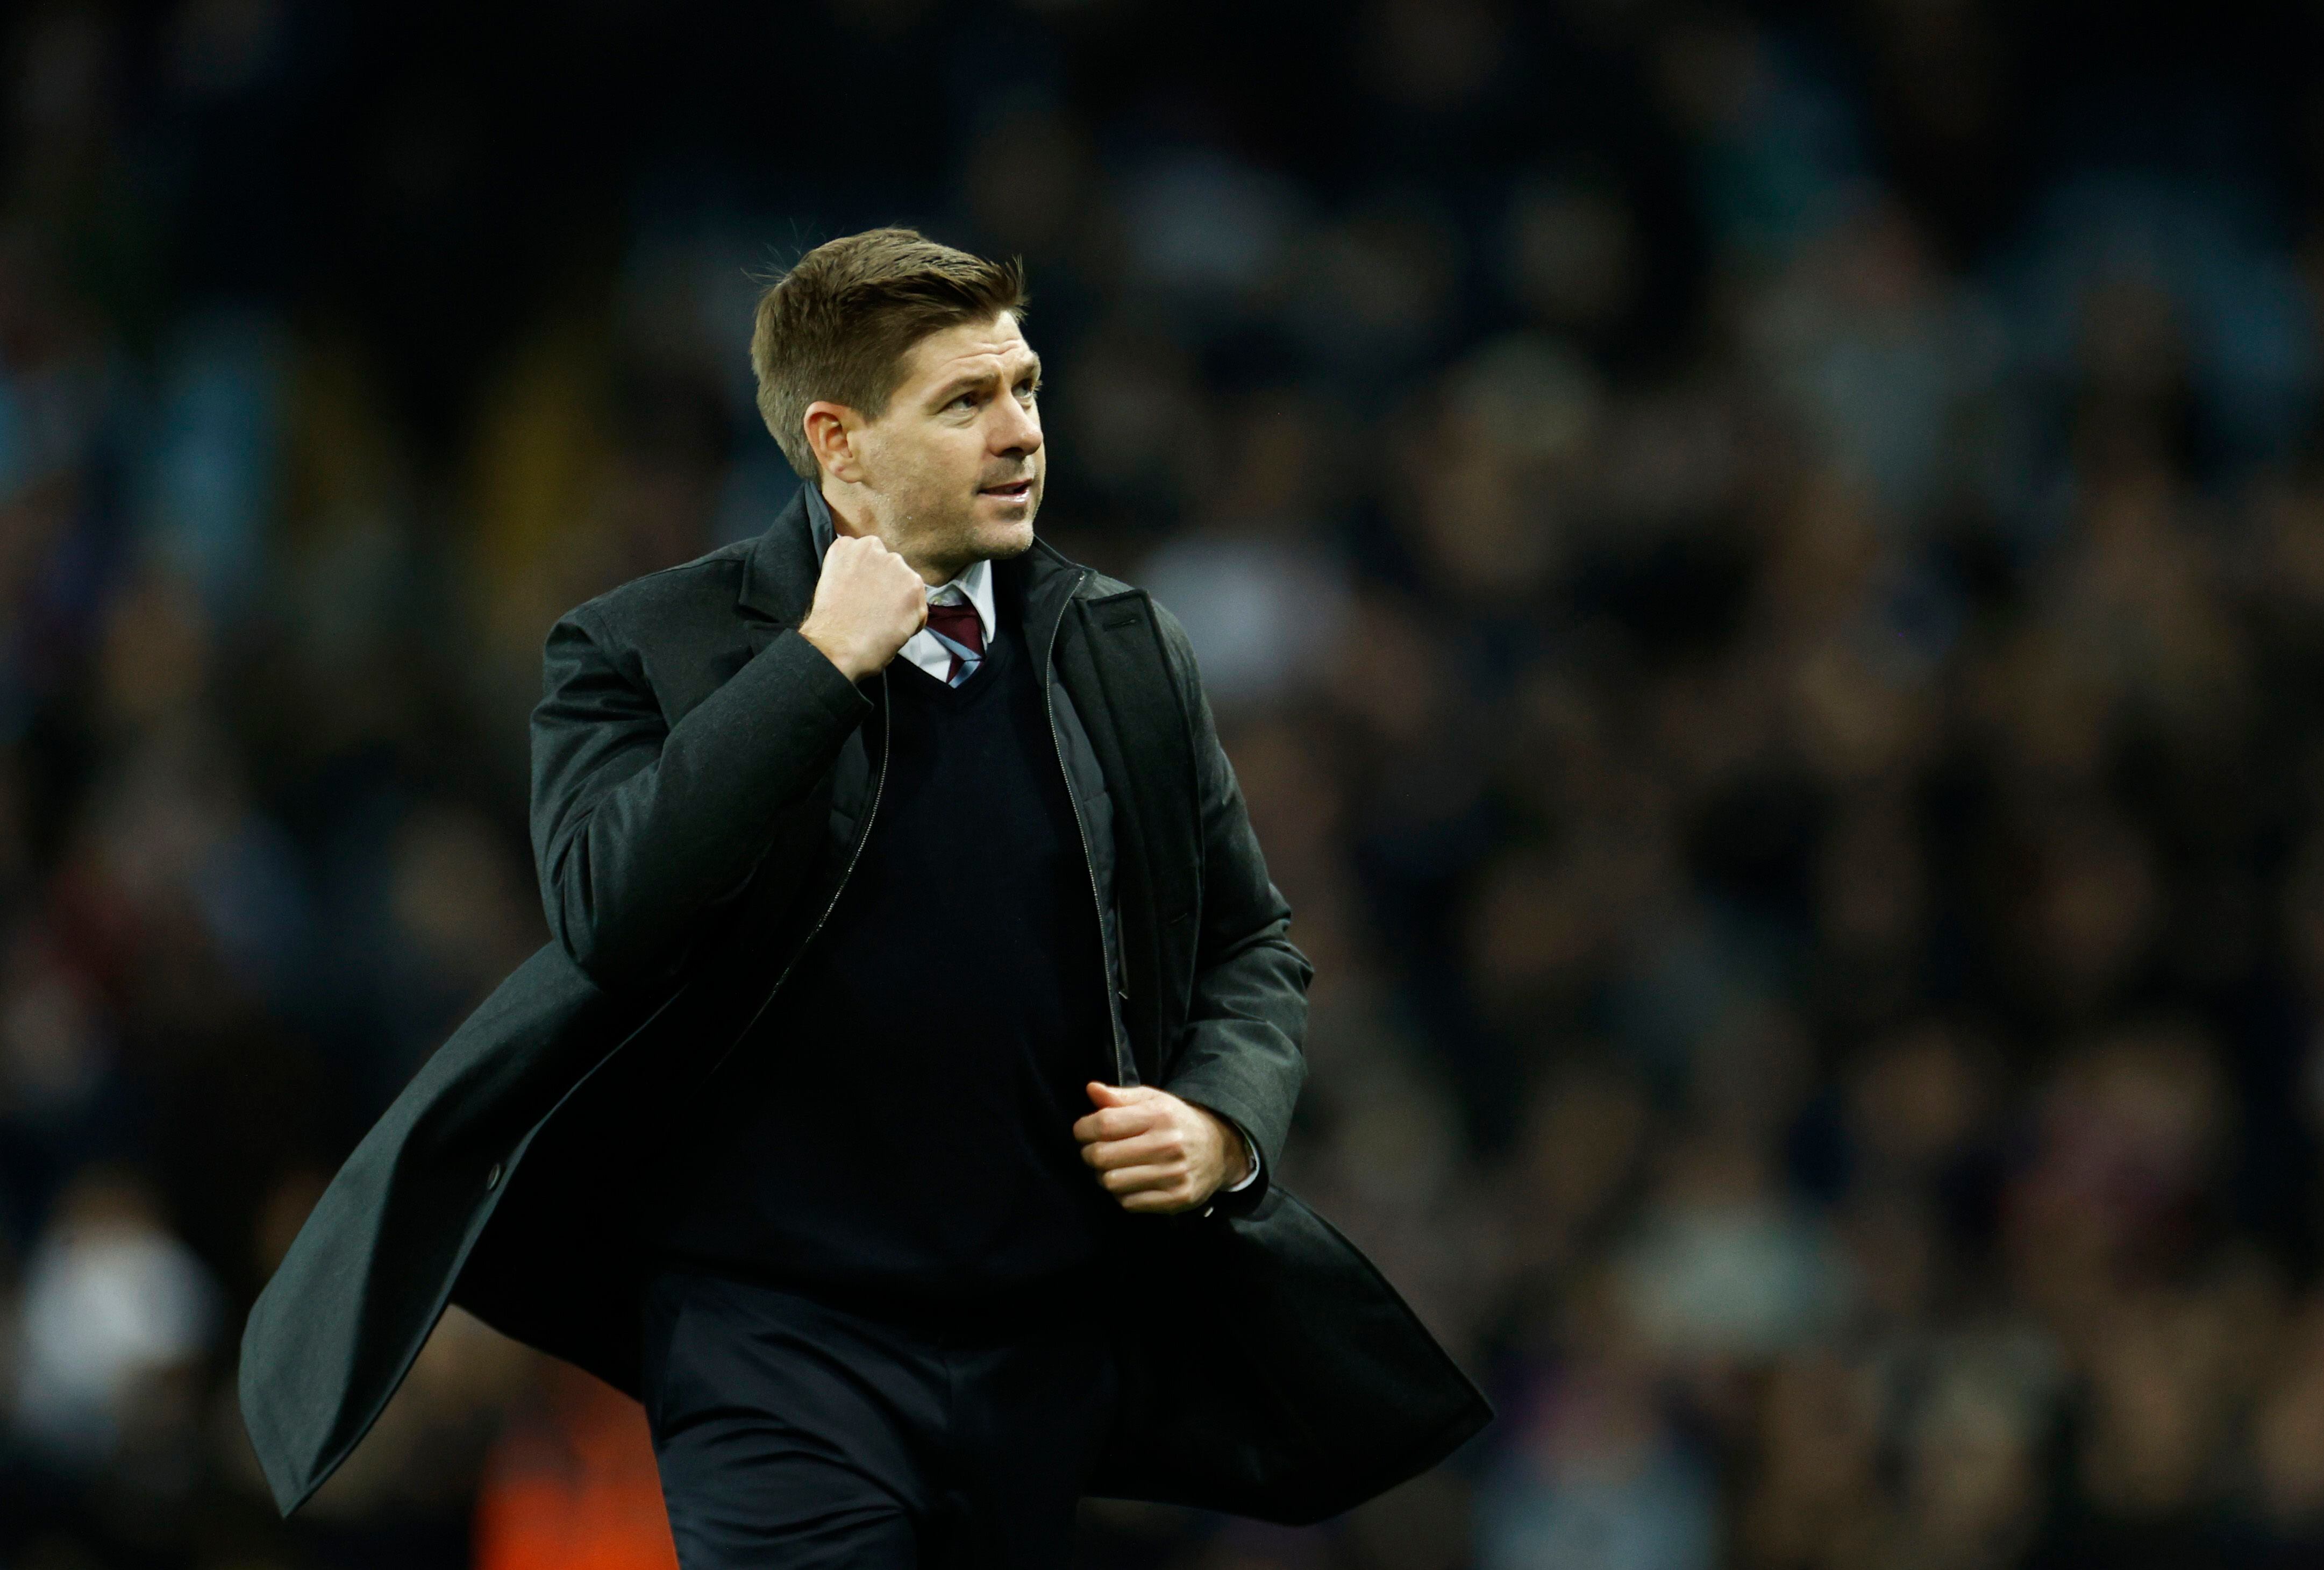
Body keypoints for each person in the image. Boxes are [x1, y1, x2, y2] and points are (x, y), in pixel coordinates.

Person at [238, 229, 1489, 1568]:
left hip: (1041, 1343)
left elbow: (1251, 944)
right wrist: (817, 663)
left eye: (1027, 387)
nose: (1020, 433)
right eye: (966, 401)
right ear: (839, 443)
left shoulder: (1120, 648)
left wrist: (1222, 1119)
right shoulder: (639, 647)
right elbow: (610, 908)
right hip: (776, 1342)